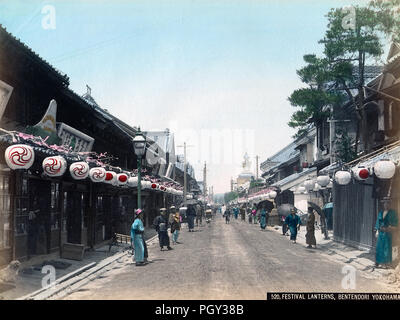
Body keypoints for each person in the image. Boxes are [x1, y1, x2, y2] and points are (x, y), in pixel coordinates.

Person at [374, 197, 398, 269]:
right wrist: (377, 231)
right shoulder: (381, 213)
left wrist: (392, 227)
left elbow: (395, 223)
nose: (386, 205)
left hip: (388, 233)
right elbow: (378, 221)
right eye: (385, 203)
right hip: (381, 233)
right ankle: (378, 262)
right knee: (379, 247)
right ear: (383, 204)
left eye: (388, 203)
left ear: (390, 205)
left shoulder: (393, 213)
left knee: (387, 248)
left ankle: (387, 263)